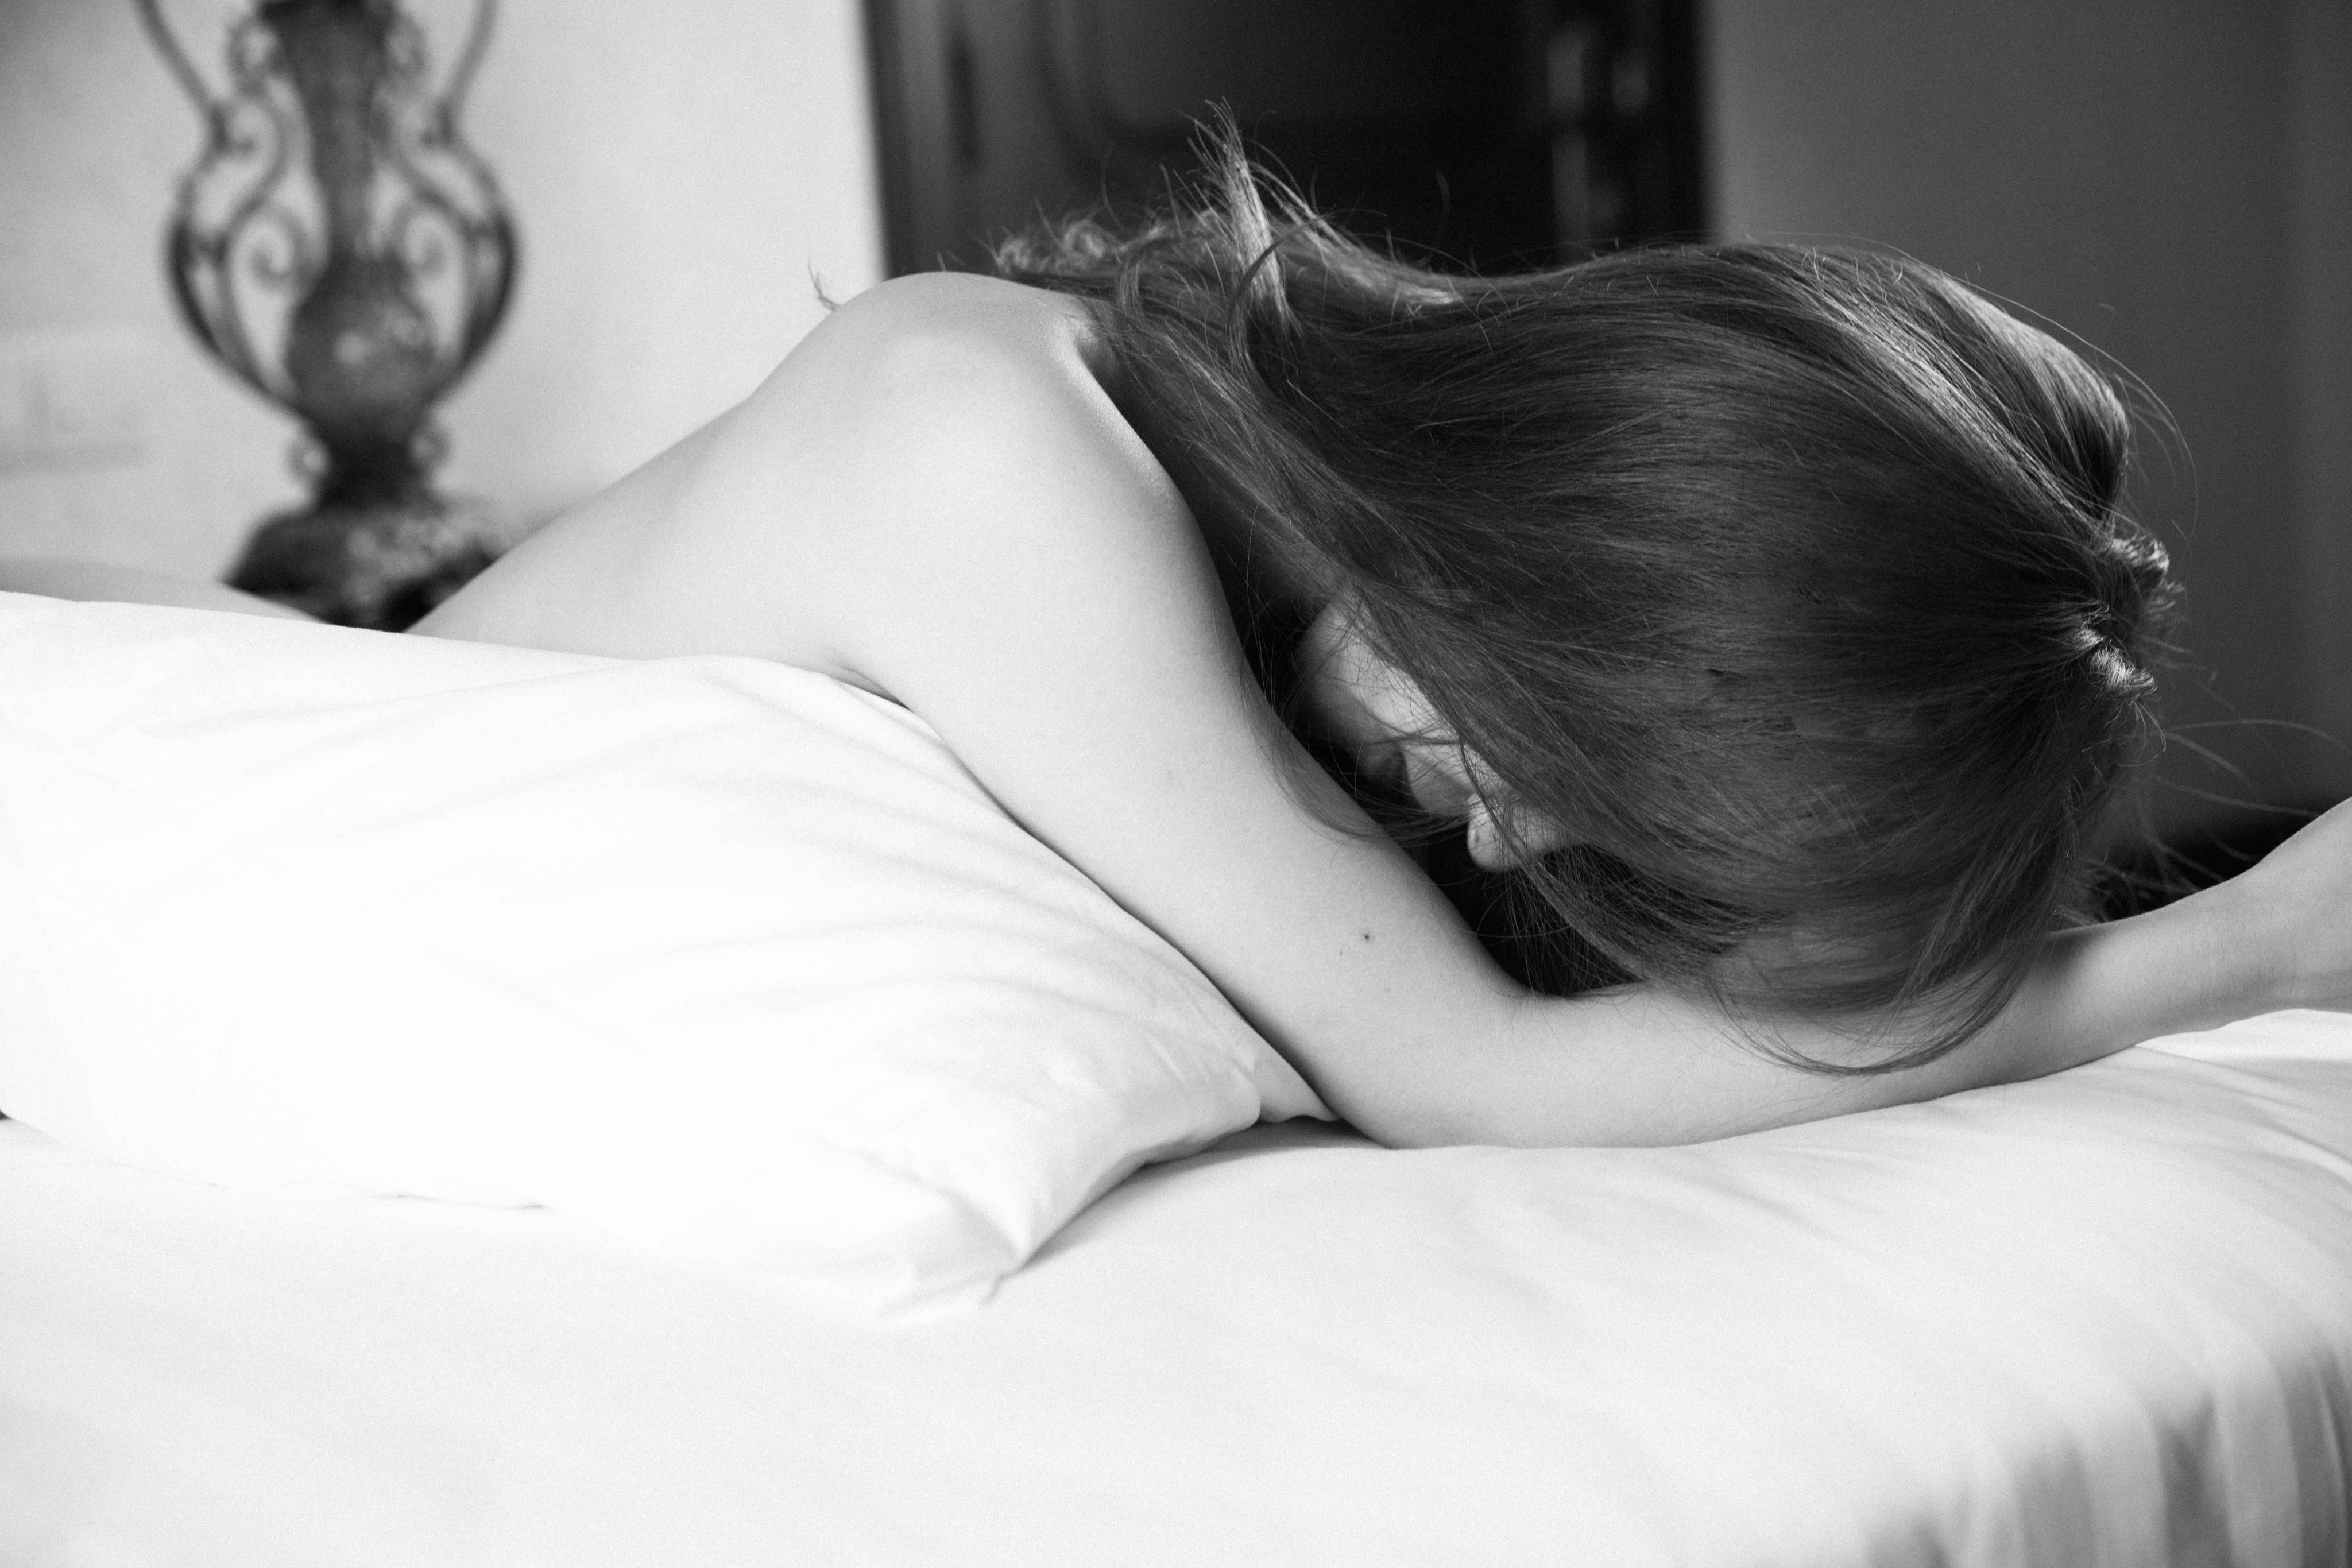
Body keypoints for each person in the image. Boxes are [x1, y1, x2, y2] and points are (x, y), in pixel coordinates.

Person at [26, 148, 2352, 1147]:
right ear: (1556, 523)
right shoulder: (976, 447)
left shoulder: (1275, 572)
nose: (1513, 840)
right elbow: (1470, 1083)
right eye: (1558, 740)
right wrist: (2237, 943)